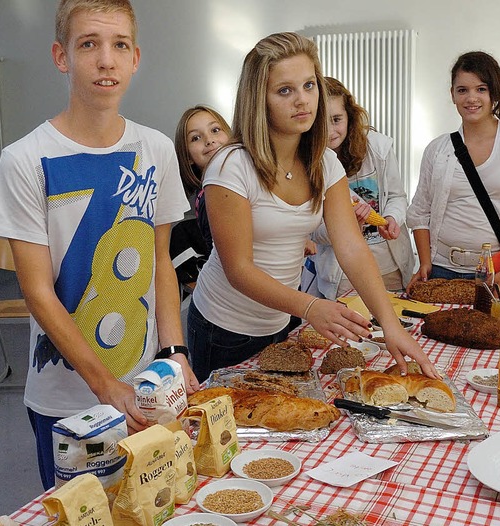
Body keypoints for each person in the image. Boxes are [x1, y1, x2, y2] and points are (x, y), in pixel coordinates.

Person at [0, 0, 199, 491]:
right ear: (62, 56)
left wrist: (175, 352)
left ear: (135, 57)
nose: (106, 59)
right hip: (65, 399)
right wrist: (105, 387)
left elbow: (160, 263)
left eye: (119, 45)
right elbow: (37, 293)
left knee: (156, 504)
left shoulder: (156, 150)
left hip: (148, 386)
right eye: (89, 45)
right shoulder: (24, 159)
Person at [186, 32, 439, 384]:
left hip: (282, 320)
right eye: (285, 90)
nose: (302, 101)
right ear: (259, 99)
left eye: (309, 86)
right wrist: (309, 306)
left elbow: (350, 246)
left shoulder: (324, 163)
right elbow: (238, 269)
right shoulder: (231, 166)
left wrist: (391, 325)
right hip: (224, 329)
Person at [406, 51, 500, 294]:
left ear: (495, 93)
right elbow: (420, 212)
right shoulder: (438, 149)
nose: (471, 98)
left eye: (481, 89)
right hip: (443, 270)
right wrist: (424, 263)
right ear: (452, 95)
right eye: (462, 90)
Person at [311, 77, 415, 299]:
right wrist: (345, 226)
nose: (330, 131)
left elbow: (398, 196)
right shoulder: (308, 164)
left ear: (350, 116)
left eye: (336, 119)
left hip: (388, 267)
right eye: (321, 123)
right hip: (343, 275)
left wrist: (392, 217)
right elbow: (315, 233)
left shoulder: (378, 148)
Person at [174, 105, 231, 253]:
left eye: (215, 130)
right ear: (188, 158)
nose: (209, 140)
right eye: (196, 138)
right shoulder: (209, 198)